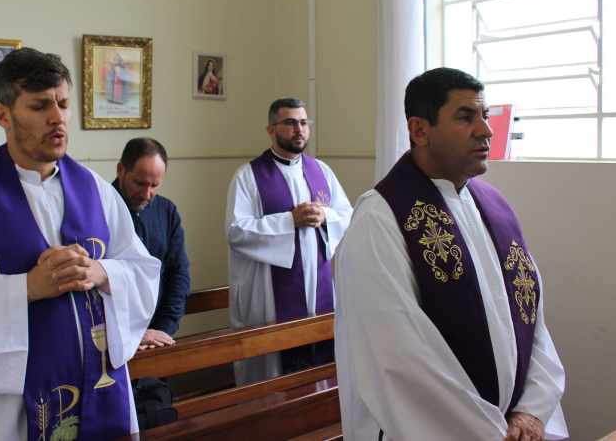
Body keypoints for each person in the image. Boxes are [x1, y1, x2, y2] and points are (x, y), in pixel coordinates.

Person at [0, 47, 161, 441]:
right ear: (3, 115)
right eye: (40, 105)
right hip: (11, 407)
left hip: (100, 389)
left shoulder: (97, 191)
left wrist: (101, 272)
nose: (57, 117)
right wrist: (26, 288)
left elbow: (143, 271)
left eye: (63, 103)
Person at [334, 68, 567, 441]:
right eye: (465, 117)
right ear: (419, 130)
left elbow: (531, 319)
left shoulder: (493, 207)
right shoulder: (380, 220)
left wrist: (531, 411)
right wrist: (491, 434)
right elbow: (400, 358)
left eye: (485, 115)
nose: (486, 130)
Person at [226, 97, 353, 385]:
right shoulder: (248, 176)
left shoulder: (321, 171)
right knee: (273, 373)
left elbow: (347, 214)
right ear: (271, 130)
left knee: (320, 358)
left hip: (318, 284)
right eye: (291, 123)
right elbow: (236, 231)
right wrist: (288, 221)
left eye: (304, 122)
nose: (300, 129)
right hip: (272, 289)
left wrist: (324, 215)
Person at [112, 138, 191, 350]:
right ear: (121, 170)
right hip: (111, 336)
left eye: (154, 185)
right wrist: (129, 333)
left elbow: (178, 274)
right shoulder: (98, 207)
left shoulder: (167, 211)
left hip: (158, 336)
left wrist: (164, 329)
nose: (147, 194)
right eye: (139, 183)